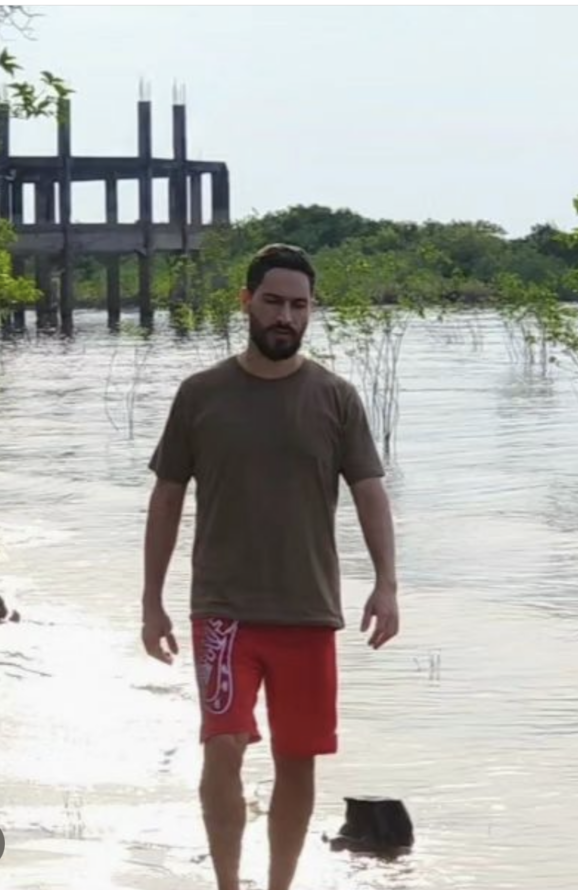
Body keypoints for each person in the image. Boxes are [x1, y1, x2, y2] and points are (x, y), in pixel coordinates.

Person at [140, 243, 400, 890]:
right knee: (222, 745)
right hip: (224, 613)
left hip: (308, 611)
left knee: (298, 761)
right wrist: (151, 599)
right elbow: (167, 496)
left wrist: (387, 582)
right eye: (274, 301)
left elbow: (370, 491)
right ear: (247, 302)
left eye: (299, 305)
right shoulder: (201, 394)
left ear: (311, 313)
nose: (286, 315)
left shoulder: (336, 399)